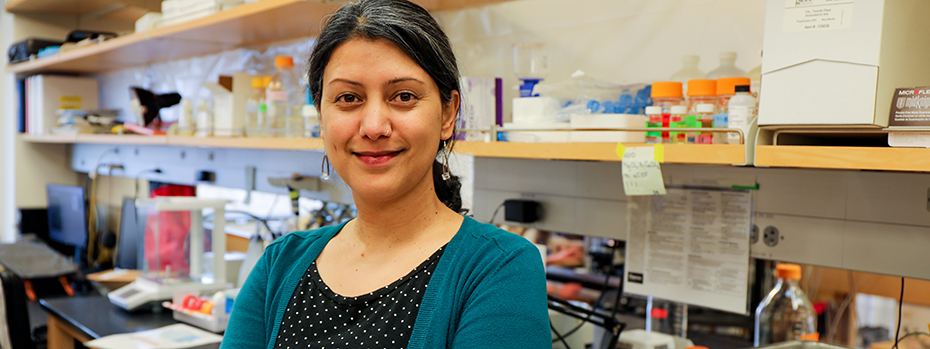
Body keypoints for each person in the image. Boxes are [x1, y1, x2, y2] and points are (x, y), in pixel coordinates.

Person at [221, 0, 550, 348]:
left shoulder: (496, 267)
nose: (374, 126)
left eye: (403, 96)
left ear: (448, 115)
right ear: (320, 116)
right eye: (348, 98)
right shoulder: (279, 265)